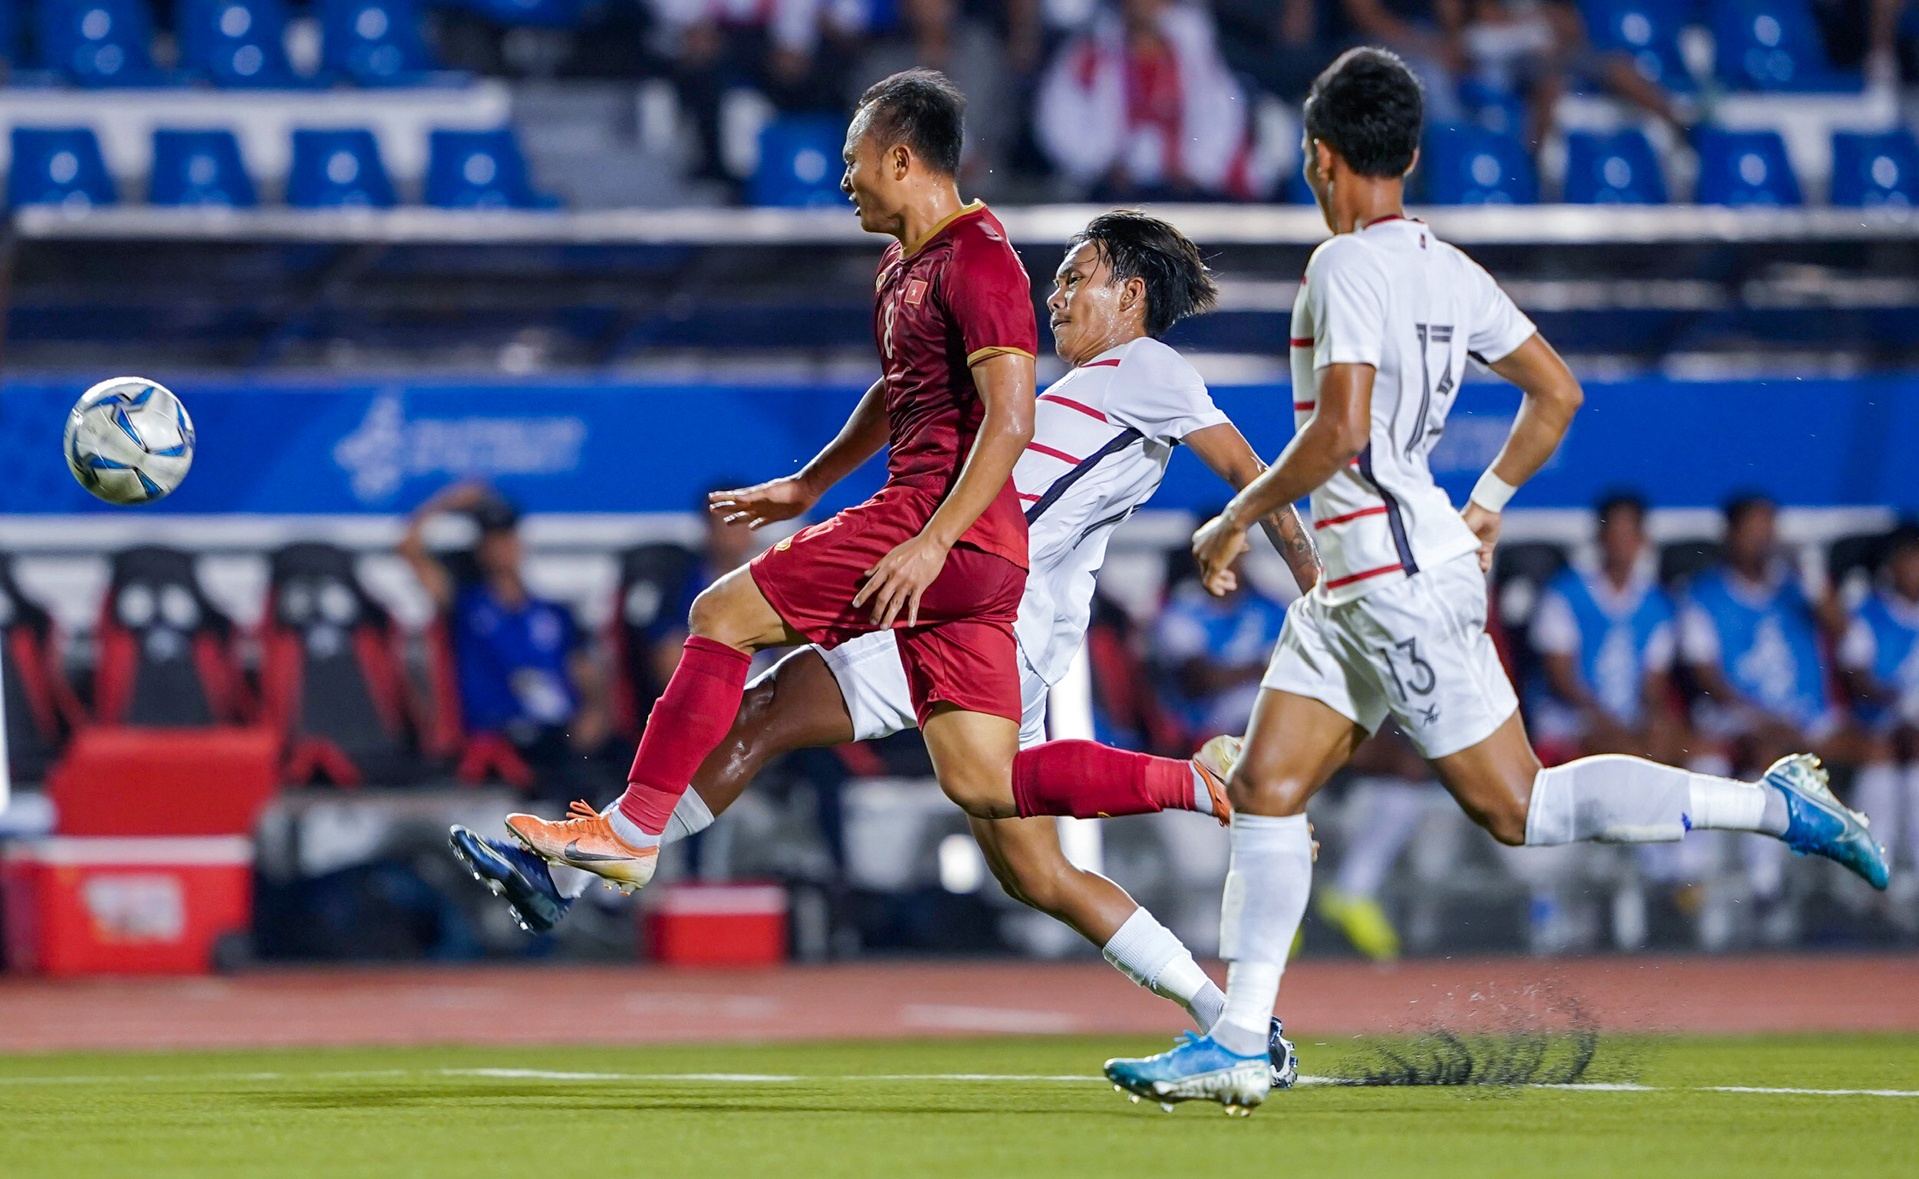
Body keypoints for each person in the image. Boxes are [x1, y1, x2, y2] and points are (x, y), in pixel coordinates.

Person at [1102, 46, 1890, 1116]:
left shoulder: (1342, 266)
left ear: (1316, 156)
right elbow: (1554, 394)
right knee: (1267, 789)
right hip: (1363, 574)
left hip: (1392, 580)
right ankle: (1240, 1041)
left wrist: (1237, 515)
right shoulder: (1445, 266)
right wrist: (1485, 503)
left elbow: (1337, 432)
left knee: (1516, 809)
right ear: (1412, 153)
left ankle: (1771, 805)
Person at [451, 206, 1320, 1074]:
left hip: (978, 611)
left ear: (1131, 293)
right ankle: (1236, 1021)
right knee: (1031, 871)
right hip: (989, 611)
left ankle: (591, 858)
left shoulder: (1149, 366)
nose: (1056, 293)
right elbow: (908, 401)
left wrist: (1314, 584)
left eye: (1077, 275)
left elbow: (1254, 470)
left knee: (767, 694)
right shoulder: (1062, 390)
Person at [399, 484, 609, 803]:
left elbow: (587, 675)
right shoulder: (465, 607)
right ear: (481, 550)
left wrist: (596, 711)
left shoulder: (554, 613)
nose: (503, 549)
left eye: (508, 539)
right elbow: (408, 547)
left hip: (561, 734)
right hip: (505, 733)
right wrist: (448, 502)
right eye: (493, 541)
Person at [1033, 0, 1280, 200]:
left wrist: (1197, 167)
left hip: (1184, 188)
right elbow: (1056, 120)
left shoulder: (1195, 52)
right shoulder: (1091, 54)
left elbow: (1222, 115)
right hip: (1114, 191)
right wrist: (1100, 163)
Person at [1528, 491, 1684, 763]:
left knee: (1670, 745)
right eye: (1614, 534)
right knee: (1624, 753)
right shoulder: (1565, 594)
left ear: (1642, 541)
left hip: (1628, 717)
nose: (1621, 544)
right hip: (1571, 717)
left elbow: (1652, 686)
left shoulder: (1657, 605)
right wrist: (1606, 720)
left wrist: (1655, 723)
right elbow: (1562, 680)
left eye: (1629, 535)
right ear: (1599, 539)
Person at [1837, 523, 1919, 899]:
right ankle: (1874, 878)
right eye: (1912, 561)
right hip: (1878, 727)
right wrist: (1901, 706)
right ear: (1892, 567)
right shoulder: (1869, 615)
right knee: (1885, 763)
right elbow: (1858, 680)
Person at [1153, 551, 1292, 739]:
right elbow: (1203, 680)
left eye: (1234, 553)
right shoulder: (1182, 611)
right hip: (1209, 725)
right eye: (1218, 552)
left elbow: (1292, 671)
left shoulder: (1271, 609)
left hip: (1275, 713)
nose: (1226, 563)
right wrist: (1260, 669)